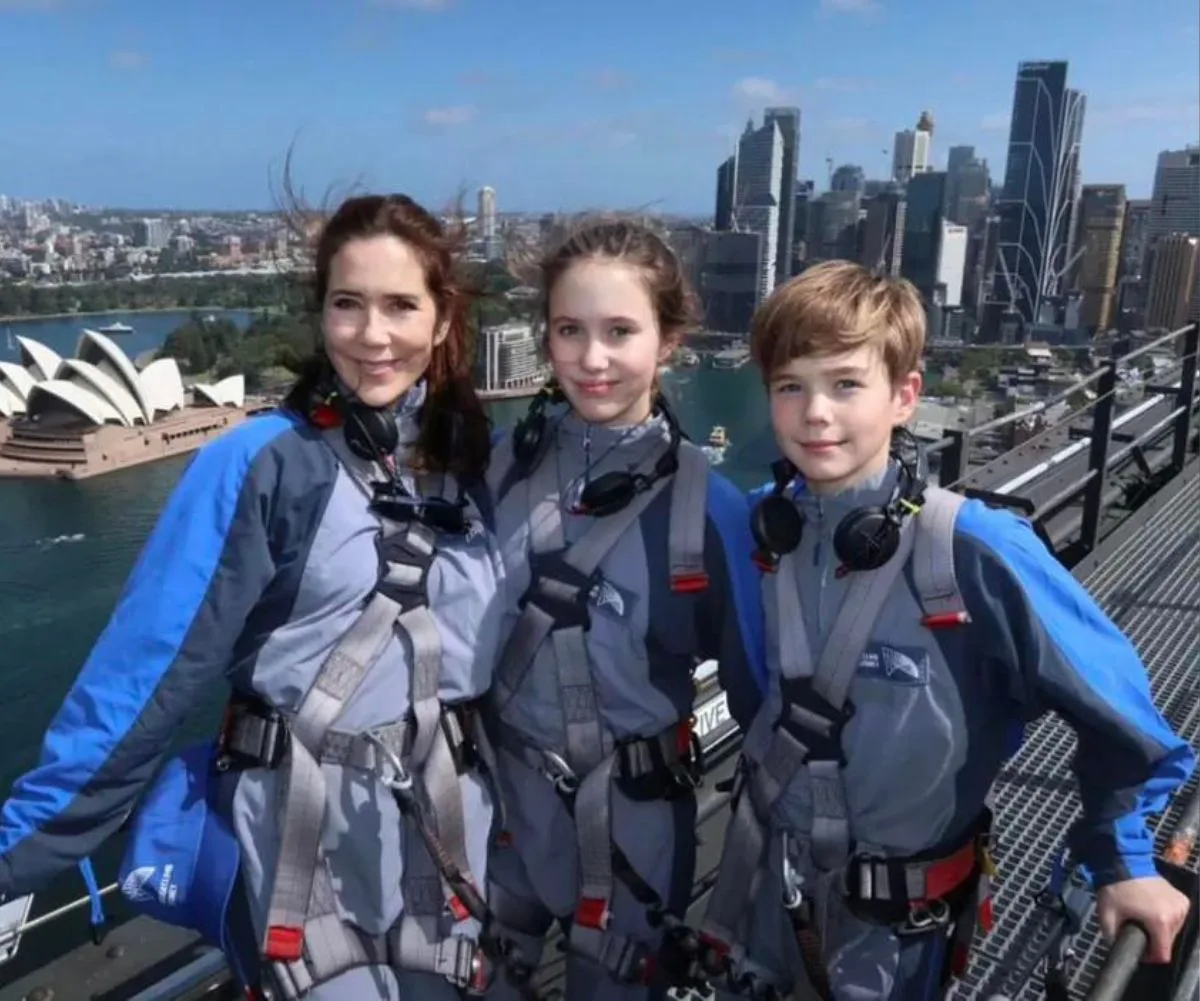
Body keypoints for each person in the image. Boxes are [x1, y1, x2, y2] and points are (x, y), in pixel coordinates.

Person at [0, 193, 507, 1001]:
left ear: (442, 322)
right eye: (348, 304)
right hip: (304, 857)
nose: (374, 335)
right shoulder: (261, 465)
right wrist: (13, 855)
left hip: (454, 852)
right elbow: (139, 683)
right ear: (320, 315)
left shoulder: (477, 463)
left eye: (401, 306)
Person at [698, 260, 1195, 1000]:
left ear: (905, 396)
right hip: (762, 891)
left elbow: (1124, 717)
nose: (815, 413)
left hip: (893, 935)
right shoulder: (764, 536)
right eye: (789, 386)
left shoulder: (974, 552)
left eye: (845, 383)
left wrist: (1123, 858)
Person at [481, 216, 767, 1001]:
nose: (593, 357)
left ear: (669, 339)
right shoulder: (501, 470)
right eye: (570, 329)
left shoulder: (709, 514)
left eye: (620, 330)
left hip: (631, 827)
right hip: (501, 809)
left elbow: (764, 701)